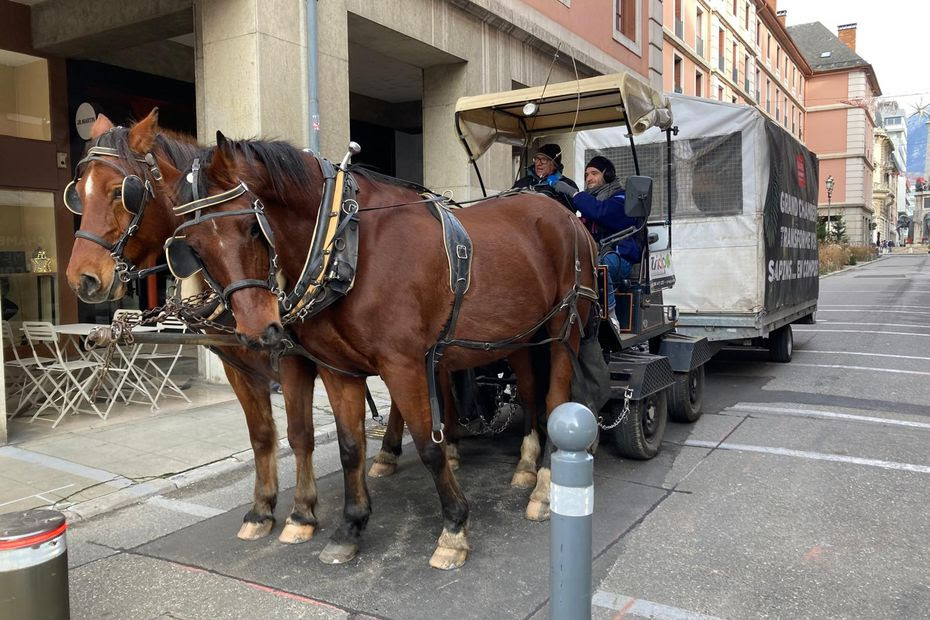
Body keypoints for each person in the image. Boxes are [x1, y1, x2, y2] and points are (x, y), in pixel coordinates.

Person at [552, 156, 642, 332]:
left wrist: (575, 194)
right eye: (586, 175)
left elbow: (602, 213)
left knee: (598, 266)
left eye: (594, 173)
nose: (589, 178)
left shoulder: (622, 198)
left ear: (608, 175)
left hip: (620, 257)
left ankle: (610, 315)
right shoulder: (590, 202)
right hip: (594, 253)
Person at [512, 144, 577, 209]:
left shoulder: (567, 184)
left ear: (554, 165)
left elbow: (571, 210)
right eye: (537, 159)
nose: (538, 164)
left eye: (544, 160)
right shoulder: (523, 182)